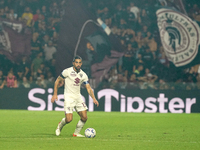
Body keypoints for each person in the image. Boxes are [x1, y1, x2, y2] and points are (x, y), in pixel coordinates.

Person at [51, 55, 99, 137]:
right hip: (69, 97)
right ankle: (60, 126)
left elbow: (88, 88)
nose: (78, 64)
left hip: (78, 97)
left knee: (84, 117)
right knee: (69, 119)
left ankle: (76, 133)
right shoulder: (67, 71)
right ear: (73, 63)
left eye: (80, 63)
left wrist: (94, 98)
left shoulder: (83, 75)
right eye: (76, 62)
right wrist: (55, 94)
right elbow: (57, 81)